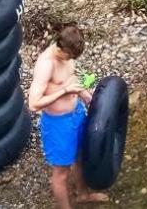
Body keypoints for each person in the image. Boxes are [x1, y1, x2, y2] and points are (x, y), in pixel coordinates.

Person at [28, 24, 108, 208]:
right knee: (61, 173)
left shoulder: (68, 55)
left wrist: (84, 93)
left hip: (77, 114)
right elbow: (33, 103)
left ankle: (82, 194)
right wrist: (65, 90)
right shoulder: (46, 64)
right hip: (58, 124)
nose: (71, 59)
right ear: (60, 47)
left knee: (81, 156)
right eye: (69, 55)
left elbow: (72, 79)